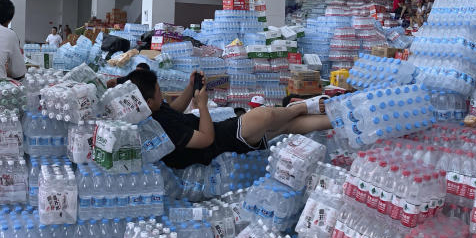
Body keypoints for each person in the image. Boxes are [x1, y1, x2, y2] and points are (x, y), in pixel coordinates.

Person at [124, 69, 331, 170]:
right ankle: (302, 105)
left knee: (287, 126)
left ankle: (332, 119)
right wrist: (202, 106)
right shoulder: (162, 129)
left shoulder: (151, 113)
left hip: (221, 131)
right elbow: (206, 139)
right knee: (265, 115)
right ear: (149, 102)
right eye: (160, 92)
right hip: (220, 145)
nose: (163, 95)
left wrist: (190, 88)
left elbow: (174, 110)